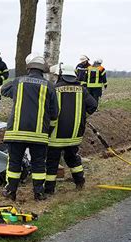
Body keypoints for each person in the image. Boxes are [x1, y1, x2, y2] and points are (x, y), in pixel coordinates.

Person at [0, 53, 58, 201]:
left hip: (16, 133)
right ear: (42, 69)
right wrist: (48, 131)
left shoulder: (18, 82)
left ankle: (11, 192)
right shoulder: (49, 86)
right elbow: (54, 113)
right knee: (38, 164)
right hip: (38, 135)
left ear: (28, 67)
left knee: (14, 163)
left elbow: (3, 90)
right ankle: (39, 194)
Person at [45, 64, 98, 194]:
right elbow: (93, 105)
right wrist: (82, 117)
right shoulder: (82, 90)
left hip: (55, 136)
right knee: (73, 159)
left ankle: (49, 190)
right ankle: (80, 183)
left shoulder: (54, 89)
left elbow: (47, 109)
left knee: (52, 162)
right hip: (74, 135)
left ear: (61, 75)